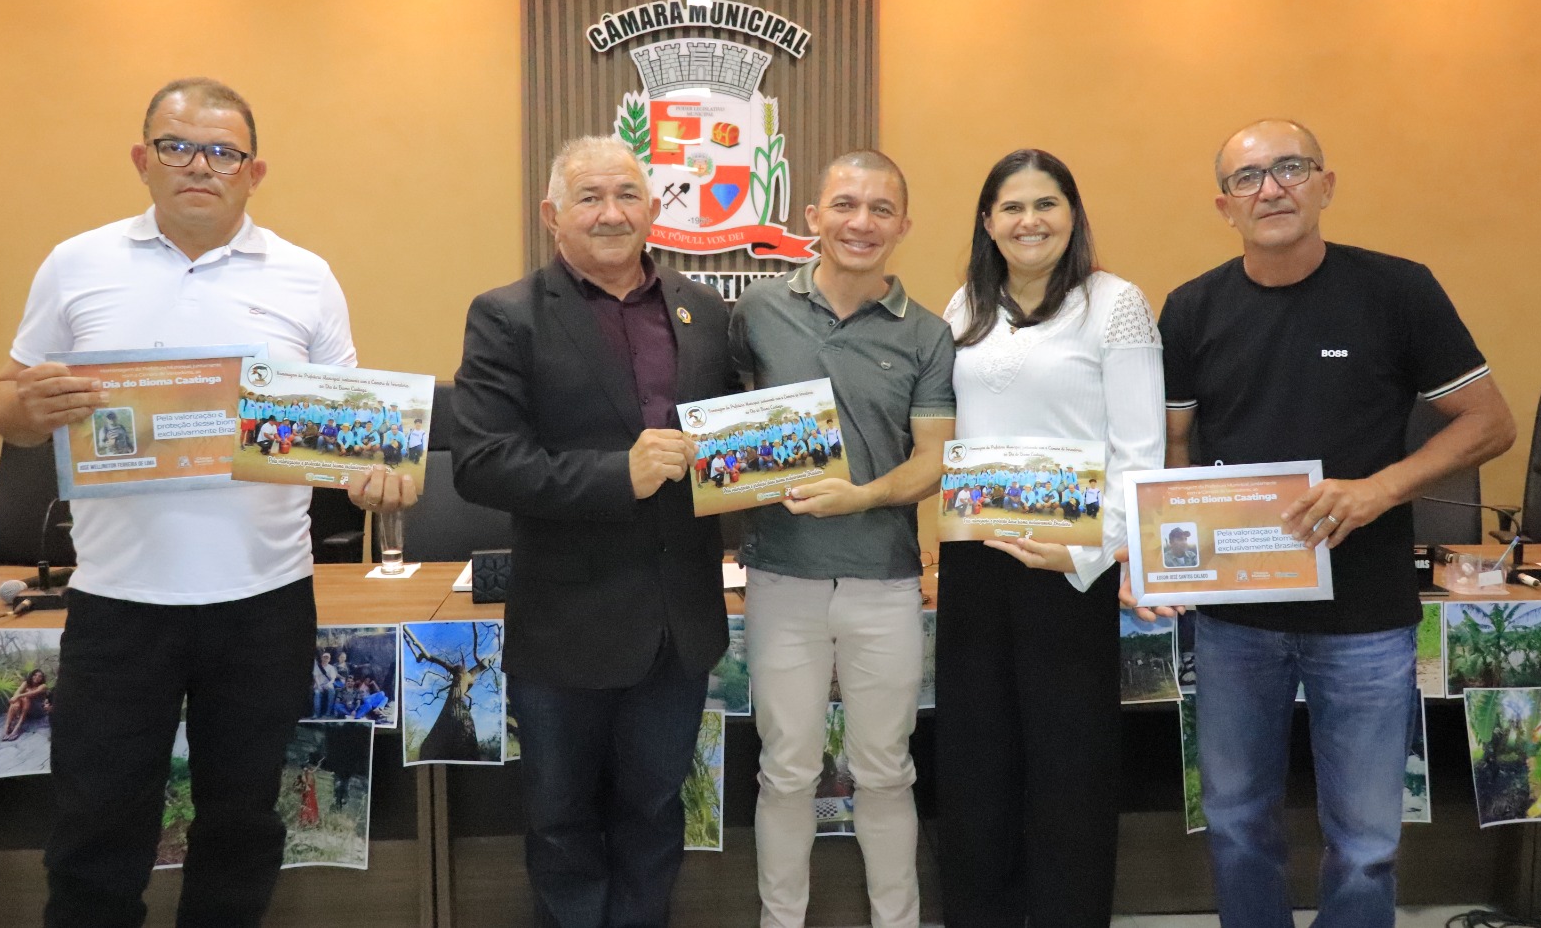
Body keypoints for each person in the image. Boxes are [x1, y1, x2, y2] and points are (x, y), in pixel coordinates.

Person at [0, 77, 413, 928]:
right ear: (142, 159)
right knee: (95, 831)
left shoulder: (306, 276)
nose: (199, 166)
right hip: (117, 602)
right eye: (176, 146)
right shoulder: (77, 263)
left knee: (243, 829)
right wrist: (24, 409)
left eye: (222, 152)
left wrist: (378, 472)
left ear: (254, 172)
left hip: (264, 603)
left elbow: (351, 432)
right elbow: (6, 399)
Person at [1156, 119, 1515, 928]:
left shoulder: (1398, 291)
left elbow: (1490, 422)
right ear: (1224, 205)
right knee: (1237, 824)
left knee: (1365, 841)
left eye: (1290, 167)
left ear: (1326, 184)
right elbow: (1173, 450)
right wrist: (1168, 556)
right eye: (1247, 177)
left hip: (1365, 619)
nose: (1271, 188)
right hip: (1235, 619)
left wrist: (1379, 490)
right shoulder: (1190, 309)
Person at [452, 135, 733, 928]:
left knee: (655, 815)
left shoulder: (706, 311)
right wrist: (619, 475)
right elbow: (482, 463)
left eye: (627, 195)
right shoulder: (507, 315)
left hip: (677, 626)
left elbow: (735, 441)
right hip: (566, 626)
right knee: (561, 822)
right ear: (552, 215)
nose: (611, 213)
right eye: (589, 197)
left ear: (653, 208)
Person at [936, 148, 1165, 927]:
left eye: (1046, 204)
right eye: (1012, 206)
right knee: (976, 759)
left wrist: (1093, 553)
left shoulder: (1115, 304)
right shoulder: (965, 306)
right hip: (975, 557)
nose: (1029, 220)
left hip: (1070, 564)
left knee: (1070, 766)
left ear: (1073, 215)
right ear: (987, 222)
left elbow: (1140, 450)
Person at [730, 150, 956, 928]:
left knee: (885, 770)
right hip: (780, 578)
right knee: (786, 772)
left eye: (881, 209)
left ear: (904, 225)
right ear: (813, 217)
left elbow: (933, 460)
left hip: (884, 580)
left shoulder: (928, 334)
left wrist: (861, 496)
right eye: (846, 205)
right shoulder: (757, 311)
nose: (862, 222)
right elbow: (723, 421)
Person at [2, 668, 52, 741]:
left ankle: (17, 728)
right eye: (35, 675)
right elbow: (17, 692)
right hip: (26, 709)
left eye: (40, 676)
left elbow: (32, 693)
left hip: (37, 710)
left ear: (42, 678)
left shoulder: (43, 686)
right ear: (31, 675)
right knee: (16, 702)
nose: (37, 677)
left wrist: (18, 697)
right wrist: (16, 703)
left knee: (25, 698)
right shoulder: (26, 683)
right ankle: (6, 728)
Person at [311, 651, 339, 718]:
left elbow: (333, 679)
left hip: (328, 684)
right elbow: (315, 677)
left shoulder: (331, 667)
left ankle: (328, 713)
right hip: (319, 684)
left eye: (327, 658)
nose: (325, 659)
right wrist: (319, 686)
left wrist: (327, 685)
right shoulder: (317, 667)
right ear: (321, 658)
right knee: (317, 693)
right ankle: (316, 714)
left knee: (332, 691)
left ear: (329, 659)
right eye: (324, 657)